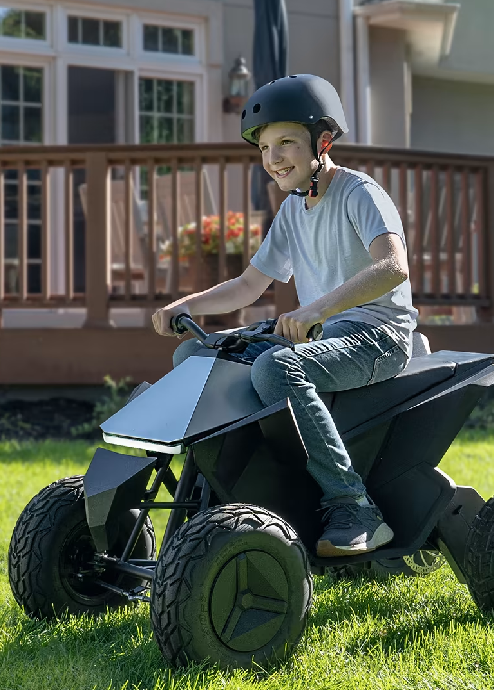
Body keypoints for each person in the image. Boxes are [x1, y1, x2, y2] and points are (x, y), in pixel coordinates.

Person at [150, 74, 416, 558]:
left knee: (276, 366)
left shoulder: (360, 193)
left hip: (379, 334)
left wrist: (318, 307)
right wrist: (188, 306)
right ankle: (215, 495)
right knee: (196, 353)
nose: (274, 159)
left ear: (323, 142)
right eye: (265, 148)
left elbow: (393, 266)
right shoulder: (294, 210)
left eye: (286, 143)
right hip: (322, 331)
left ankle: (354, 506)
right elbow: (250, 285)